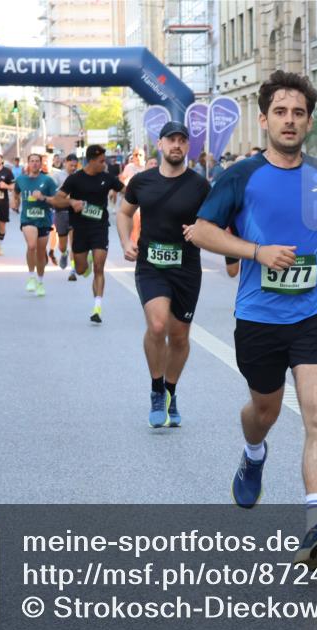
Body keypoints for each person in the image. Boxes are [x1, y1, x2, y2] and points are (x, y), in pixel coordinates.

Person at [183, 70, 317, 569]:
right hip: (259, 317)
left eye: (299, 112)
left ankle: (316, 528)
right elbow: (201, 232)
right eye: (280, 111)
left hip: (316, 312)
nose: (290, 120)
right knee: (265, 413)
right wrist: (257, 251)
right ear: (263, 119)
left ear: (309, 121)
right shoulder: (240, 176)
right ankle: (253, 452)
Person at [117, 122, 211, 428]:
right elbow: (123, 212)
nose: (177, 145)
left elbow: (213, 221)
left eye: (183, 141)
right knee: (157, 326)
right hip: (151, 264)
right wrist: (126, 241)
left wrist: (201, 230)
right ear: (161, 144)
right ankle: (157, 390)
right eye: (172, 139)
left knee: (180, 335)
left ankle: (171, 391)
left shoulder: (199, 185)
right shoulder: (142, 182)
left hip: (186, 267)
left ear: (187, 147)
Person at [48, 144, 125, 323]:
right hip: (80, 229)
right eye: (101, 161)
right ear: (91, 161)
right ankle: (85, 262)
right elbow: (57, 200)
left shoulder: (107, 178)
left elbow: (127, 191)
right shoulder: (75, 179)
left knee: (100, 267)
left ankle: (97, 307)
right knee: (82, 270)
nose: (104, 164)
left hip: (99, 227)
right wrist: (72, 202)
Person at [12, 153, 58, 296]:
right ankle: (31, 277)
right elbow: (15, 192)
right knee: (31, 246)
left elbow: (56, 200)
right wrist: (15, 202)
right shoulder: (21, 179)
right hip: (28, 219)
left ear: (41, 163)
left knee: (40, 252)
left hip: (44, 220)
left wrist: (43, 197)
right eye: (32, 161)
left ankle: (40, 282)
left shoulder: (48, 181)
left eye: (37, 161)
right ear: (28, 163)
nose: (35, 164)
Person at [51, 153, 79, 279]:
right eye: (71, 165)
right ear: (65, 163)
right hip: (61, 212)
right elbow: (53, 192)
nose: (73, 167)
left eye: (75, 165)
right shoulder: (58, 175)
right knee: (62, 245)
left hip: (75, 212)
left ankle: (73, 269)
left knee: (74, 243)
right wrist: (64, 195)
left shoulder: (80, 176)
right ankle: (64, 253)